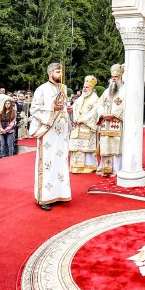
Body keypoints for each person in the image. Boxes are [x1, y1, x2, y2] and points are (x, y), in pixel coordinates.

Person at [29, 63, 72, 210]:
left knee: (60, 162)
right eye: (58, 72)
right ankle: (45, 198)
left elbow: (64, 107)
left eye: (61, 72)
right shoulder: (41, 89)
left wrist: (68, 112)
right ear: (50, 73)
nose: (60, 74)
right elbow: (34, 109)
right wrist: (51, 108)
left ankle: (60, 193)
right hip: (48, 131)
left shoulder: (63, 88)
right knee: (47, 163)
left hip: (61, 133)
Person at [96, 64, 125, 176]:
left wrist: (113, 114)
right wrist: (102, 113)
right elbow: (99, 103)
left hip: (116, 122)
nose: (114, 79)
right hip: (105, 122)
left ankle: (117, 169)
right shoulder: (107, 91)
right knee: (105, 144)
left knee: (117, 145)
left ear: (121, 77)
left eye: (116, 77)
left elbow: (124, 106)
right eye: (112, 77)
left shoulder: (124, 91)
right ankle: (106, 168)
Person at [70, 75, 99, 173]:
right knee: (77, 147)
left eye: (87, 87)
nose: (85, 89)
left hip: (87, 126)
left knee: (86, 148)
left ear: (92, 88)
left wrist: (83, 120)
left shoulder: (95, 99)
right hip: (77, 126)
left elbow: (95, 112)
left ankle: (89, 167)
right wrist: (74, 117)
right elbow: (74, 108)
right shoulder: (80, 98)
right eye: (84, 87)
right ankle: (75, 167)